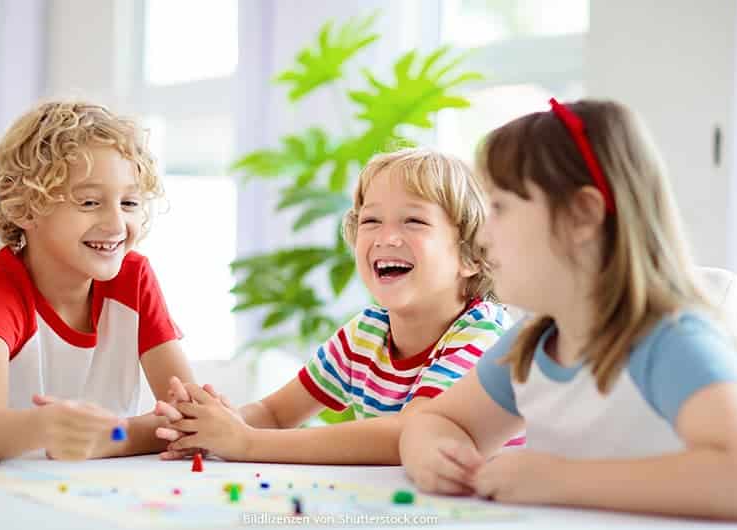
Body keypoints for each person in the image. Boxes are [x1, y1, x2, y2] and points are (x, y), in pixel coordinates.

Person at [399, 99, 737, 520]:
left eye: (501, 208)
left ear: (583, 214)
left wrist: (558, 480)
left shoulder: (669, 342)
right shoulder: (533, 344)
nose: (483, 237)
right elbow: (435, 420)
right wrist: (432, 453)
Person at [155, 147, 521, 464]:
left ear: (471, 255)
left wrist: (247, 443)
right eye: (371, 220)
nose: (386, 237)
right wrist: (214, 425)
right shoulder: (366, 333)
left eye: (414, 220)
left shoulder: (481, 332)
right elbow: (275, 412)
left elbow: (408, 436)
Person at [0, 101, 194, 461]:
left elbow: (187, 415)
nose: (116, 224)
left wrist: (115, 437)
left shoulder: (133, 279)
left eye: (128, 202)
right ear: (23, 208)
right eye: (90, 202)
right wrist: (46, 427)